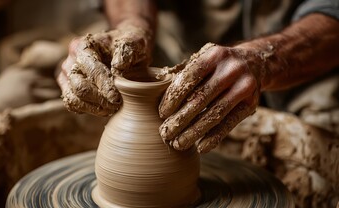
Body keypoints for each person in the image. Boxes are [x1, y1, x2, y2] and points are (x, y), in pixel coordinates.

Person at [57, 0, 339, 153]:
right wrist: (133, 26)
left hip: (302, 58)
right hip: (175, 51)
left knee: (322, 144)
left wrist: (263, 60)